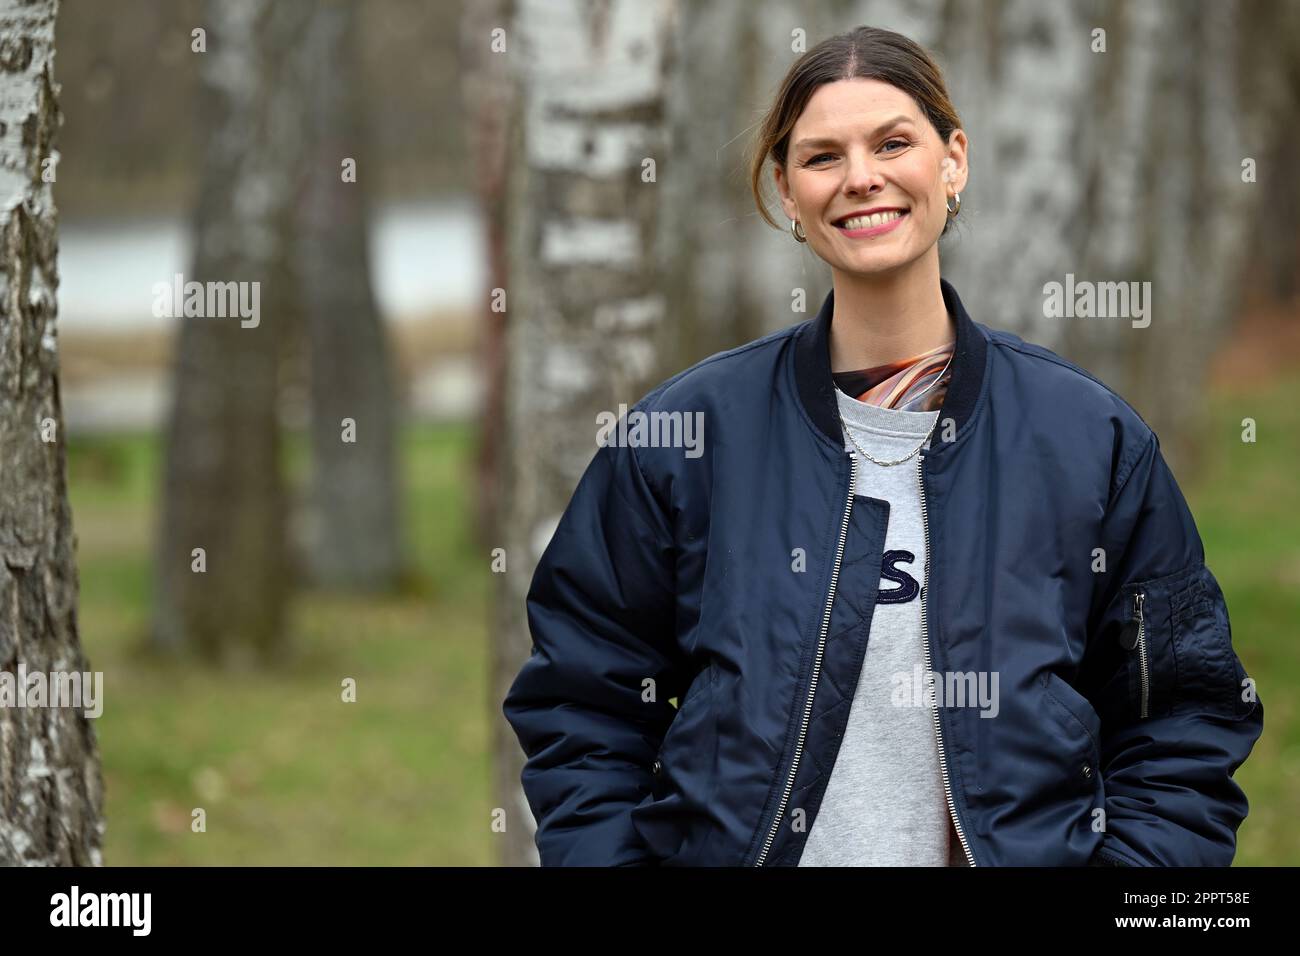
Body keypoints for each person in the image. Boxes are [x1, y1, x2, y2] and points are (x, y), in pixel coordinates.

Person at [502, 25, 1264, 867]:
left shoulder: (1090, 440)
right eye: (822, 156)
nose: (861, 176)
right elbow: (583, 704)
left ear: (954, 161)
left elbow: (1181, 715)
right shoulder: (683, 441)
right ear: (788, 193)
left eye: (893, 142)